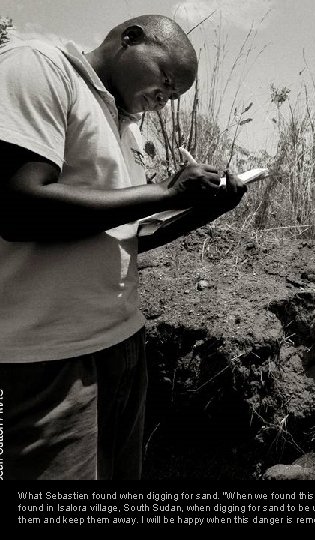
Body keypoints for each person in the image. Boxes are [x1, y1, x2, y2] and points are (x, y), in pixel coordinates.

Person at [0, 15, 246, 479]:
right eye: (165, 79)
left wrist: (205, 210)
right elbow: (17, 206)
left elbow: (128, 236)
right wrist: (165, 193)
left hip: (121, 345)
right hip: (46, 359)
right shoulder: (40, 67)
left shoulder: (127, 128)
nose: (165, 99)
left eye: (174, 96)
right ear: (129, 39)